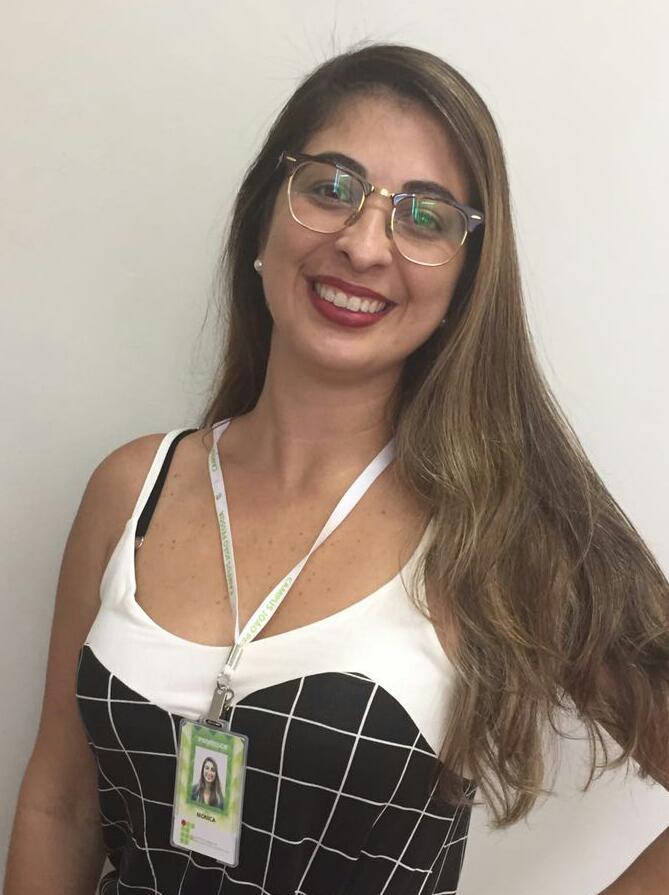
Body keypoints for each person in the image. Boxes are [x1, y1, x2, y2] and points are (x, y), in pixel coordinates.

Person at [5, 41, 668, 895]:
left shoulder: (499, 527)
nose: (362, 244)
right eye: (331, 188)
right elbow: (59, 805)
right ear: (264, 217)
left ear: (466, 280)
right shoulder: (133, 489)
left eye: (423, 217)